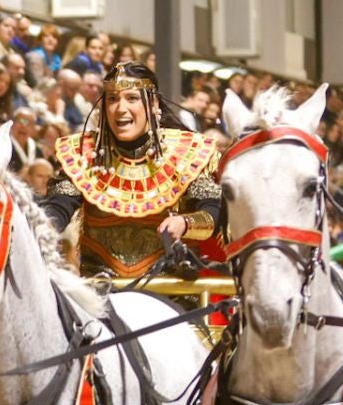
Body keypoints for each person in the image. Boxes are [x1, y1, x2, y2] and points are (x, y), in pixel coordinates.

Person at [42, 60, 223, 278]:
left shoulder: (186, 152)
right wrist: (43, 228)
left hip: (173, 290)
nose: (120, 108)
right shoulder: (82, 153)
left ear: (153, 103)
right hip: (101, 292)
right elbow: (58, 207)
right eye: (112, 99)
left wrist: (185, 223)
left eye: (132, 98)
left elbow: (213, 211)